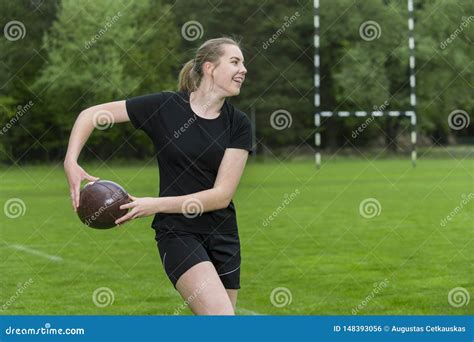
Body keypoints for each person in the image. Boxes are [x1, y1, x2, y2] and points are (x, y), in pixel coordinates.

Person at [64, 37, 252, 315]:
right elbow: (93, 114)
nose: (244, 69)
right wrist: (71, 160)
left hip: (223, 235)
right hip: (178, 233)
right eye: (235, 62)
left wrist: (153, 204)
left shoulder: (239, 124)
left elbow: (221, 196)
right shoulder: (165, 107)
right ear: (210, 68)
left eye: (243, 63)